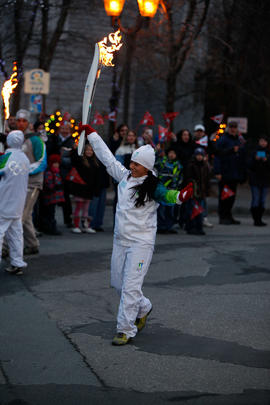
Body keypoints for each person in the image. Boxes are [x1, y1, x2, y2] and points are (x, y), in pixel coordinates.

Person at [80, 124, 193, 346]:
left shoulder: (152, 187)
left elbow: (169, 195)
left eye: (136, 164)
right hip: (120, 240)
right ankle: (144, 307)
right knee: (118, 284)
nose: (131, 166)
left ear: (147, 168)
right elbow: (108, 159)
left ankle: (125, 329)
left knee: (130, 287)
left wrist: (180, 196)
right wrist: (92, 135)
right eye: (131, 162)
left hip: (141, 243)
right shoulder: (124, 178)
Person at [16, 109, 47, 255]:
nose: (21, 123)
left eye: (24, 121)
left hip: (32, 184)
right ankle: (32, 244)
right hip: (19, 183)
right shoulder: (16, 139)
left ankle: (7, 248)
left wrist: (23, 172)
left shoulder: (35, 140)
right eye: (18, 120)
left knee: (19, 216)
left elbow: (42, 162)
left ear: (29, 123)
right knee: (26, 214)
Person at [0, 131, 30, 275]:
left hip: (4, 202)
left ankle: (17, 262)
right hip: (19, 202)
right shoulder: (25, 158)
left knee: (0, 232)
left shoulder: (5, 158)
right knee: (16, 234)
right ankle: (17, 262)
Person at [214, 121, 246, 225]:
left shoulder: (239, 140)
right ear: (228, 128)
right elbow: (217, 155)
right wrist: (217, 171)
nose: (233, 129)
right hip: (225, 173)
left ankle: (228, 215)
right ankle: (222, 217)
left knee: (232, 196)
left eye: (235, 127)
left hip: (234, 173)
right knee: (224, 196)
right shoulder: (223, 139)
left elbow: (241, 157)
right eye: (231, 127)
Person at [68, 143, 100, 233]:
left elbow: (96, 178)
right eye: (87, 150)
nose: (89, 152)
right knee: (78, 207)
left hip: (89, 189)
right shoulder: (80, 160)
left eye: (91, 150)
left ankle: (86, 225)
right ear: (84, 151)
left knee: (86, 208)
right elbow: (73, 159)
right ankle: (76, 226)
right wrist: (74, 150)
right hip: (80, 188)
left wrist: (96, 189)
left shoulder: (95, 163)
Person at [155, 147, 183, 233]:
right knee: (161, 209)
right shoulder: (163, 162)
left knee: (170, 209)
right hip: (163, 190)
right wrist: (157, 151)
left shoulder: (178, 165)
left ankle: (169, 226)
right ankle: (161, 226)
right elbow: (155, 163)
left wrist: (178, 187)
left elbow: (180, 177)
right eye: (170, 153)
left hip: (173, 190)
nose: (171, 155)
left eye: (173, 153)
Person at [185, 148, 211, 235]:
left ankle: (199, 227)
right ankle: (191, 227)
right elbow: (188, 179)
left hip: (201, 192)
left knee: (199, 210)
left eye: (201, 155)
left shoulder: (205, 166)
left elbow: (207, 179)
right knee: (192, 209)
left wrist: (207, 190)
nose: (199, 157)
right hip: (193, 191)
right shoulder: (191, 165)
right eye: (198, 155)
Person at [248, 135, 270, 226]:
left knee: (262, 201)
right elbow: (249, 165)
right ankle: (256, 219)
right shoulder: (253, 152)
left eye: (265, 141)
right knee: (256, 199)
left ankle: (260, 219)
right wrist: (255, 160)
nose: (263, 143)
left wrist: (267, 160)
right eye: (261, 141)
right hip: (255, 180)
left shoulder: (269, 152)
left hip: (266, 180)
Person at [40, 154, 65, 235]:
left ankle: (50, 227)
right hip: (51, 196)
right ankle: (50, 227)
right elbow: (49, 184)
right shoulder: (50, 172)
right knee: (49, 213)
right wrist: (55, 187)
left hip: (55, 196)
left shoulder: (56, 171)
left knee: (52, 212)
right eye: (55, 163)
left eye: (57, 163)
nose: (56, 165)